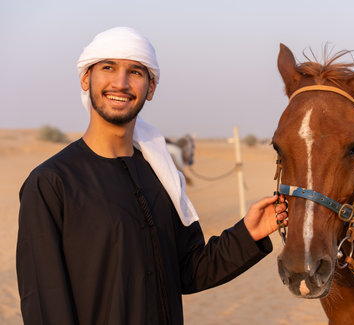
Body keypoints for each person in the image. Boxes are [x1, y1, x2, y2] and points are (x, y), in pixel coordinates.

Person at [16, 27, 287, 325]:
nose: (120, 83)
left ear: (151, 87)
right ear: (85, 78)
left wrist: (248, 234)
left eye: (135, 72)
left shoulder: (159, 173)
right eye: (108, 67)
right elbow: (45, 304)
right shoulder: (51, 183)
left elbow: (188, 271)